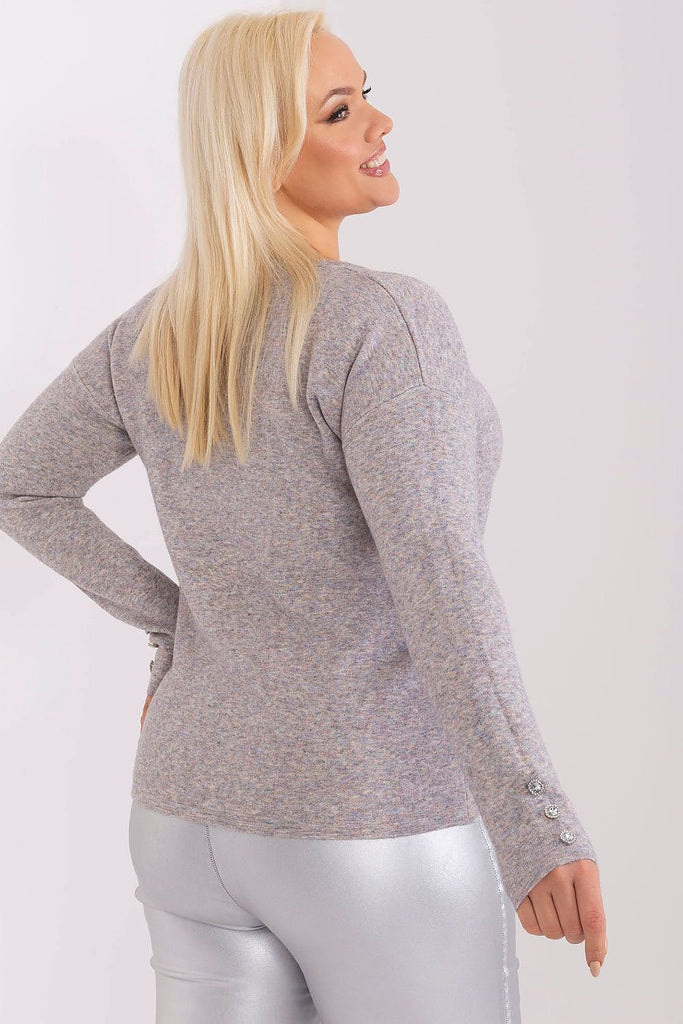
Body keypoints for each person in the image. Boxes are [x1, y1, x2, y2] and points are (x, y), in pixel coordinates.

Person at [0, 9, 607, 1023]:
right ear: (261, 151)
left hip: (186, 821)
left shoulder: (155, 332)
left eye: (366, 94)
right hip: (367, 818)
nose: (379, 122)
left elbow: (20, 484)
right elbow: (438, 570)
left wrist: (178, 626)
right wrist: (532, 820)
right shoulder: (383, 319)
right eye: (338, 111)